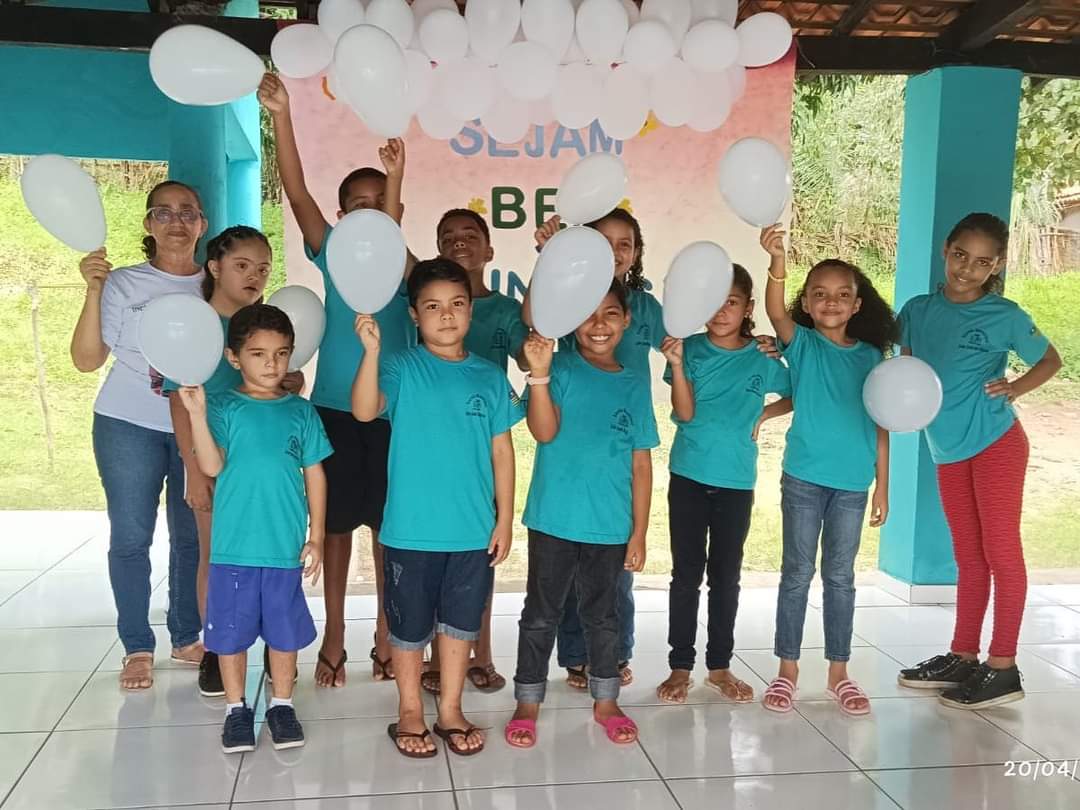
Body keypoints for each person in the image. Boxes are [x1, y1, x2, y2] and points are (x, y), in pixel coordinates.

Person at [260, 72, 416, 686]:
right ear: (341, 212)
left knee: (388, 528)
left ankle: (385, 631)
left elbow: (392, 214)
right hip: (332, 410)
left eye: (378, 203)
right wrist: (282, 114)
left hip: (394, 411)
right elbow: (295, 190)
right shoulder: (329, 249)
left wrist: (396, 179)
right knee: (334, 528)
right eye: (356, 203)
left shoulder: (403, 258)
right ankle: (333, 635)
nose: (368, 211)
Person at [351, 258, 520, 758]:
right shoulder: (402, 366)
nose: (446, 316)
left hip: (471, 530)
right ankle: (409, 710)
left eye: (457, 305)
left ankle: (449, 708)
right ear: (414, 315)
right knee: (408, 627)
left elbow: (502, 452)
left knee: (460, 625)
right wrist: (371, 352)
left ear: (470, 311)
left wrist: (505, 518)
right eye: (433, 307)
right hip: (410, 530)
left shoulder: (489, 378)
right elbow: (363, 410)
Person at [895, 213, 1061, 710]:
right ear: (946, 249)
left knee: (1001, 554)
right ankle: (963, 655)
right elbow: (901, 367)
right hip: (946, 448)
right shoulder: (917, 310)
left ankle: (1003, 667)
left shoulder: (1003, 314)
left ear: (997, 265)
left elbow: (1050, 359)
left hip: (996, 444)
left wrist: (1015, 388)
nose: (967, 269)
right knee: (968, 557)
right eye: (960, 255)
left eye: (982, 262)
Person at [506, 280, 658, 750]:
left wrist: (639, 533)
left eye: (611, 313)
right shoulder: (561, 368)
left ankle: (606, 700)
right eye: (589, 314)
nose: (599, 325)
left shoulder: (634, 381)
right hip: (553, 519)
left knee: (603, 617)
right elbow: (544, 432)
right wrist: (540, 375)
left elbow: (641, 462)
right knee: (540, 615)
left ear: (627, 321)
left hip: (610, 527)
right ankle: (528, 700)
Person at [70, 180, 208, 691]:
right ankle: (136, 646)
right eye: (164, 212)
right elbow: (86, 360)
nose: (176, 221)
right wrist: (92, 289)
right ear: (149, 224)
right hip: (127, 424)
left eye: (187, 212)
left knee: (191, 535)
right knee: (131, 536)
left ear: (202, 224)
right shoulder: (122, 284)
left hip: (194, 425)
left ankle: (187, 634)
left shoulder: (212, 286)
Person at [179, 303, 330, 753]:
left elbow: (315, 475)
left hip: (283, 549)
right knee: (230, 635)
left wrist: (317, 535)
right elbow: (210, 464)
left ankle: (282, 704)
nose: (271, 364)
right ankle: (236, 710)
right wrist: (197, 414)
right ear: (234, 357)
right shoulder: (223, 407)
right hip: (234, 550)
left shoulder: (300, 413)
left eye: (281, 354)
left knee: (284, 635)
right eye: (259, 354)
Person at [761, 225, 896, 717]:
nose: (831, 302)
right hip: (802, 478)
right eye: (819, 294)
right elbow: (775, 311)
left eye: (842, 295)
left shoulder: (871, 358)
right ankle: (787, 670)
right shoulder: (803, 345)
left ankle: (839, 671)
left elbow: (884, 422)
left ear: (857, 305)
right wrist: (777, 261)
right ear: (808, 303)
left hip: (853, 485)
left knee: (840, 577)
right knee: (796, 574)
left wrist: (884, 482)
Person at [529, 208, 663, 690]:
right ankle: (576, 658)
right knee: (561, 583)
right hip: (571, 440)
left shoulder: (648, 307)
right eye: (602, 243)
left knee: (612, 580)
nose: (613, 252)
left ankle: (613, 653)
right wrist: (549, 261)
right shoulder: (571, 299)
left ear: (636, 252)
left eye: (624, 243)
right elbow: (536, 321)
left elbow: (687, 339)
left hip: (621, 440)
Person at [656, 265, 793, 705]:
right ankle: (680, 667)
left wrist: (767, 414)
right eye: (713, 302)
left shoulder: (762, 355)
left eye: (731, 302)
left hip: (737, 482)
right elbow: (686, 413)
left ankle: (719, 667)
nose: (721, 311)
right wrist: (677, 367)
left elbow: (796, 390)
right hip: (690, 477)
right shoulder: (690, 350)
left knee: (726, 577)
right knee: (685, 575)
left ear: (748, 308)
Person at [421, 208, 528, 696]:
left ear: (489, 251)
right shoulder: (424, 305)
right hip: (433, 444)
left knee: (477, 555)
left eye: (470, 235)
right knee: (429, 553)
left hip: (484, 445)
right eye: (448, 237)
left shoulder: (507, 310)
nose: (459, 242)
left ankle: (478, 653)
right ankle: (431, 656)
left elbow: (532, 358)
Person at [164, 226, 274, 697]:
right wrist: (194, 471)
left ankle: (277, 647)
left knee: (275, 555)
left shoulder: (265, 323)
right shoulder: (195, 326)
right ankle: (216, 650)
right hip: (213, 465)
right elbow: (178, 402)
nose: (254, 275)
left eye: (263, 268)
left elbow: (280, 385)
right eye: (242, 265)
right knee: (216, 556)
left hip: (265, 466)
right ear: (214, 268)